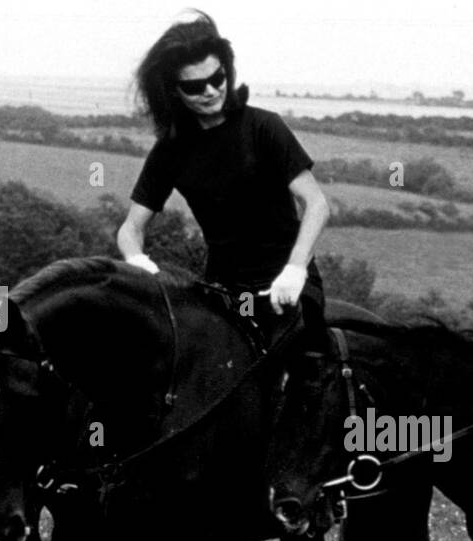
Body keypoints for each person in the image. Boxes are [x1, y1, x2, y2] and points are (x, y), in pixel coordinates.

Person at [117, 11, 330, 332]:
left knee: (295, 363)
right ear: (174, 91)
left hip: (287, 283)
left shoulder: (264, 127)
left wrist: (296, 267)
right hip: (225, 291)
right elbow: (131, 228)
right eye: (195, 86)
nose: (211, 91)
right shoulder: (171, 151)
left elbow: (317, 205)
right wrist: (137, 261)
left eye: (217, 78)